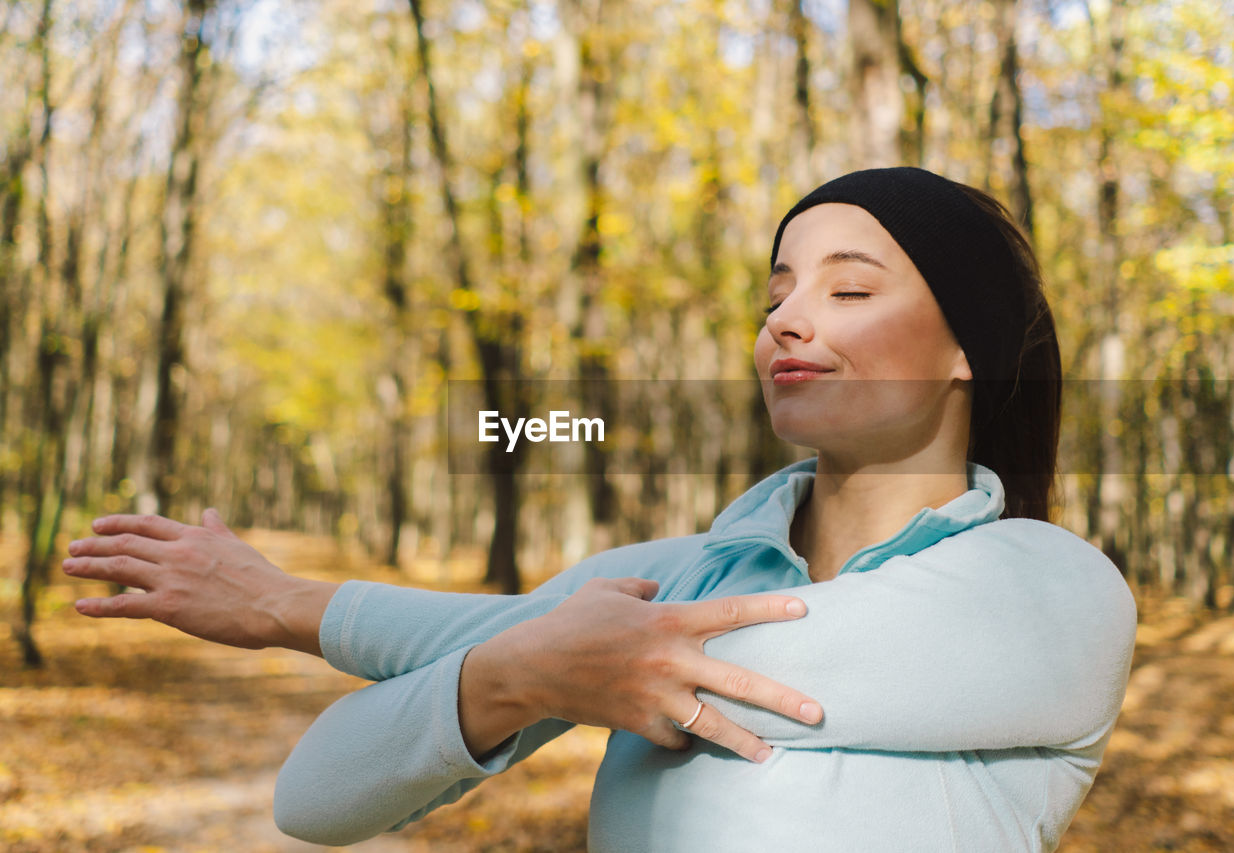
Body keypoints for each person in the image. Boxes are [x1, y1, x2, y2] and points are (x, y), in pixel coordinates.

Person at [63, 167, 1136, 852]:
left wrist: (313, 611)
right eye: (775, 296)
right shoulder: (684, 575)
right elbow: (315, 797)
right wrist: (501, 667)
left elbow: (586, 646)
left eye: (847, 291)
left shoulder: (1045, 587)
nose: (787, 323)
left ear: (965, 353)